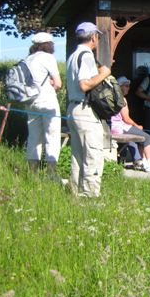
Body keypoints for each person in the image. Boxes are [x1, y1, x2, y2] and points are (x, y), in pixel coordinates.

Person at [66, 22, 111, 197]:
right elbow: (84, 84)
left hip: (73, 108)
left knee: (77, 154)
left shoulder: (73, 55)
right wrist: (104, 74)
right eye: (97, 36)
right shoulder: (86, 55)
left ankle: (75, 192)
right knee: (93, 153)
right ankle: (90, 196)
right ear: (93, 37)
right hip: (84, 110)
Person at [24, 32, 62, 182]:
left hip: (30, 102)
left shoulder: (27, 59)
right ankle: (51, 173)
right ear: (48, 44)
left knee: (34, 137)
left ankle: (32, 174)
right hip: (47, 102)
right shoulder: (48, 57)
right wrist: (53, 84)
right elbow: (58, 83)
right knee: (52, 136)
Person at [111, 77, 150, 173]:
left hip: (112, 127)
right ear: (120, 87)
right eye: (126, 86)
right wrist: (137, 125)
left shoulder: (110, 97)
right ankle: (149, 163)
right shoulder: (122, 99)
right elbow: (126, 119)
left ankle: (141, 161)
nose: (128, 88)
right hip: (119, 127)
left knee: (136, 137)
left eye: (129, 86)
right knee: (147, 137)